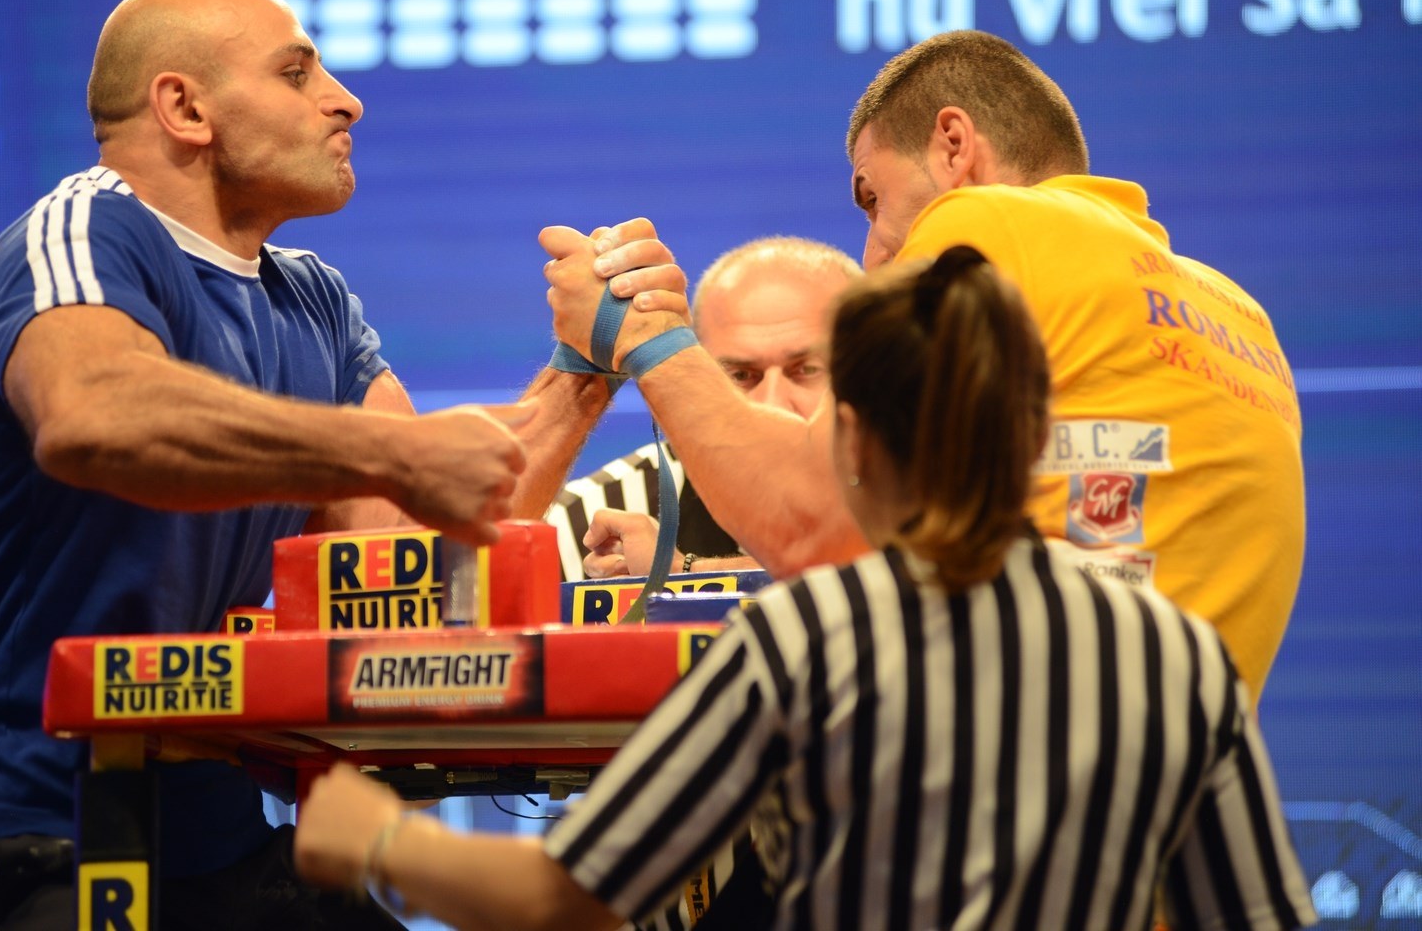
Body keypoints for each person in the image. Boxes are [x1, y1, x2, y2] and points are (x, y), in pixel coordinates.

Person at [293, 247, 1317, 931]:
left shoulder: (806, 641)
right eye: (738, 378)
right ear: (1032, 435)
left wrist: (378, 838)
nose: (775, 411)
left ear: (852, 438)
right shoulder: (1175, 655)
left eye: (806, 377)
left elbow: (573, 900)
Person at [0, 0, 616, 930]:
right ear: (184, 107)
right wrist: (386, 451)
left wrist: (585, 372)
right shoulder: (79, 231)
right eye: (297, 70)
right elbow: (95, 415)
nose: (346, 97)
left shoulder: (310, 296)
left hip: (221, 842)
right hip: (23, 842)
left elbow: (417, 550)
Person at [540, 30, 1304, 698]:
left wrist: (644, 334)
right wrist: (690, 575)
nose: (874, 251)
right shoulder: (1236, 312)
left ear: (953, 144)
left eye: (871, 198)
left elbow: (807, 527)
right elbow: (924, 565)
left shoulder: (990, 220)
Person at [548, 236, 860, 580]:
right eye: (741, 375)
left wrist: (684, 574)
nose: (773, 403)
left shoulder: (918, 488)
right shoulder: (586, 524)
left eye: (807, 370)